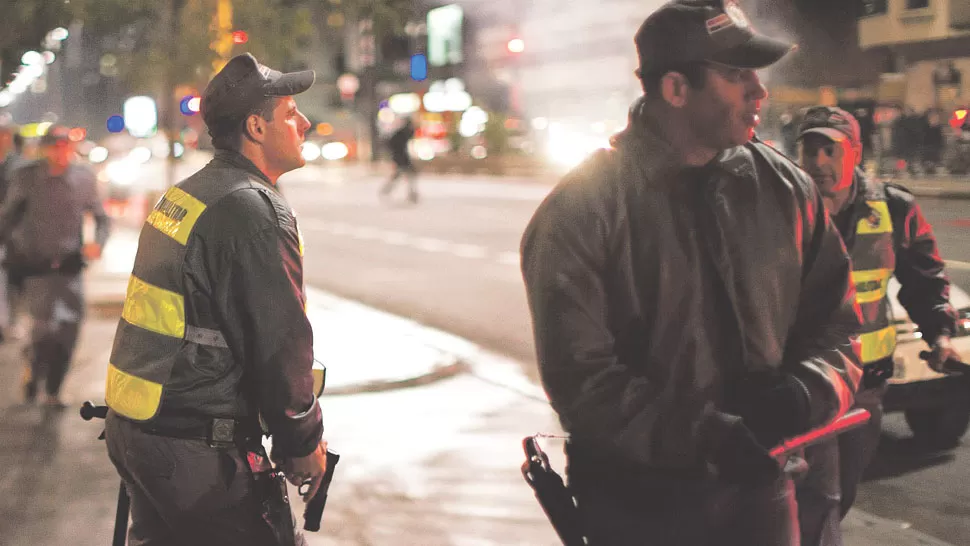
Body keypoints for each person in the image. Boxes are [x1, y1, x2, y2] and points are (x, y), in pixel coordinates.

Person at [520, 2, 863, 545]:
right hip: (637, 509)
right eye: (735, 75)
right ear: (676, 89)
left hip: (765, 497)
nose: (759, 91)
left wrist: (806, 392)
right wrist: (706, 439)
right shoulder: (582, 210)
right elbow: (582, 379)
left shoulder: (785, 190)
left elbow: (839, 325)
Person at [102, 53, 328, 545]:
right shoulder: (253, 211)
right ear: (256, 126)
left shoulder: (190, 194)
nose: (305, 123)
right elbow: (280, 342)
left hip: (142, 432)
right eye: (290, 113)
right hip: (196, 451)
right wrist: (303, 440)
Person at [794, 106, 959, 543]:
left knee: (842, 491)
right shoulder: (783, 209)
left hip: (866, 382)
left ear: (856, 152)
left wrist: (939, 334)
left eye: (832, 149)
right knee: (811, 498)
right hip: (804, 383)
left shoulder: (893, 207)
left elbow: (925, 278)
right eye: (810, 150)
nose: (820, 162)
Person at [0, 126, 111, 406]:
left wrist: (98, 243)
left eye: (65, 147)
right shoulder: (26, 178)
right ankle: (33, 373)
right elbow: (8, 218)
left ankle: (54, 389)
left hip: (70, 269)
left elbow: (101, 217)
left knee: (69, 331)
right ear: (44, 149)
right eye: (55, 147)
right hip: (36, 268)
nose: (60, 153)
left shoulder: (83, 179)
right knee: (42, 331)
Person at [379, 118, 418, 203]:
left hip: (401, 157)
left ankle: (388, 190)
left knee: (403, 175)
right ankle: (411, 194)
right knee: (407, 175)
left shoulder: (401, 133)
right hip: (401, 158)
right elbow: (393, 145)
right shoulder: (402, 134)